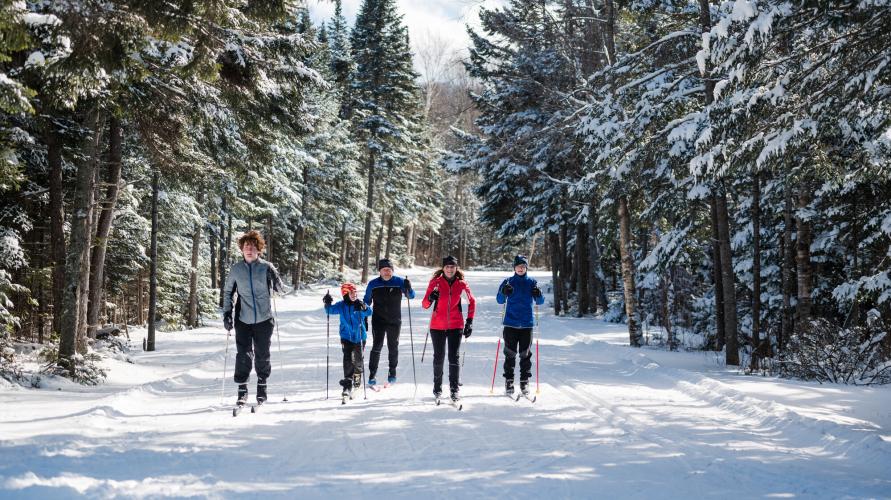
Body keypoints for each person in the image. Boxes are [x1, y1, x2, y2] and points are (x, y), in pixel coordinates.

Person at [222, 230, 285, 406]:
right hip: (243, 319)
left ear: (259, 249)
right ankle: (242, 390)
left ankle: (262, 386)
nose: (249, 249)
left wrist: (275, 278)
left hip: (264, 319)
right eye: (246, 246)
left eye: (252, 246)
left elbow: (281, 290)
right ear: (242, 249)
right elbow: (228, 292)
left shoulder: (266, 267)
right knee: (243, 354)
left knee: (262, 353)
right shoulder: (236, 270)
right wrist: (227, 313)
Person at [421, 255, 476, 402]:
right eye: (447, 267)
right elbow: (425, 304)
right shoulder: (435, 283)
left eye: (452, 267)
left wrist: (469, 321)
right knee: (438, 357)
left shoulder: (462, 284)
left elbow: (472, 302)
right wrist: (431, 298)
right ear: (443, 268)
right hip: (437, 325)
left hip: (455, 325)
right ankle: (437, 389)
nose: (450, 269)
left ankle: (454, 389)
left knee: (454, 357)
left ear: (456, 268)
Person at [496, 255, 544, 396]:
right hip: (510, 323)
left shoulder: (532, 282)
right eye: (518, 266)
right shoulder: (508, 281)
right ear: (514, 268)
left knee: (525, 355)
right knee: (510, 354)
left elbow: (539, 302)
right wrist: (503, 292)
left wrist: (538, 294)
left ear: (526, 267)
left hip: (527, 324)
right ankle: (509, 381)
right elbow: (500, 300)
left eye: (523, 266)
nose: (521, 269)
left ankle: (524, 382)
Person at [362, 258, 415, 386]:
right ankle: (372, 374)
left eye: (389, 270)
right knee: (377, 346)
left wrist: (409, 287)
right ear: (379, 271)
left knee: (393, 346)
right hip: (378, 320)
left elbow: (411, 296)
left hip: (394, 320)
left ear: (392, 270)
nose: (387, 272)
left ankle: (392, 372)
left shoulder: (400, 282)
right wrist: (362, 311)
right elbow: (366, 302)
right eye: (384, 270)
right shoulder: (373, 284)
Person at [324, 283, 373, 398]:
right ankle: (348, 382)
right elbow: (329, 311)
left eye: (355, 292)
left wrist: (364, 307)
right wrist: (327, 303)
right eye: (351, 292)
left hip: (360, 337)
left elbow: (369, 312)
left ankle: (357, 377)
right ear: (345, 294)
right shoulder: (341, 306)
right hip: (346, 337)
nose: (354, 294)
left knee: (358, 359)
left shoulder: (359, 304)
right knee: (347, 359)